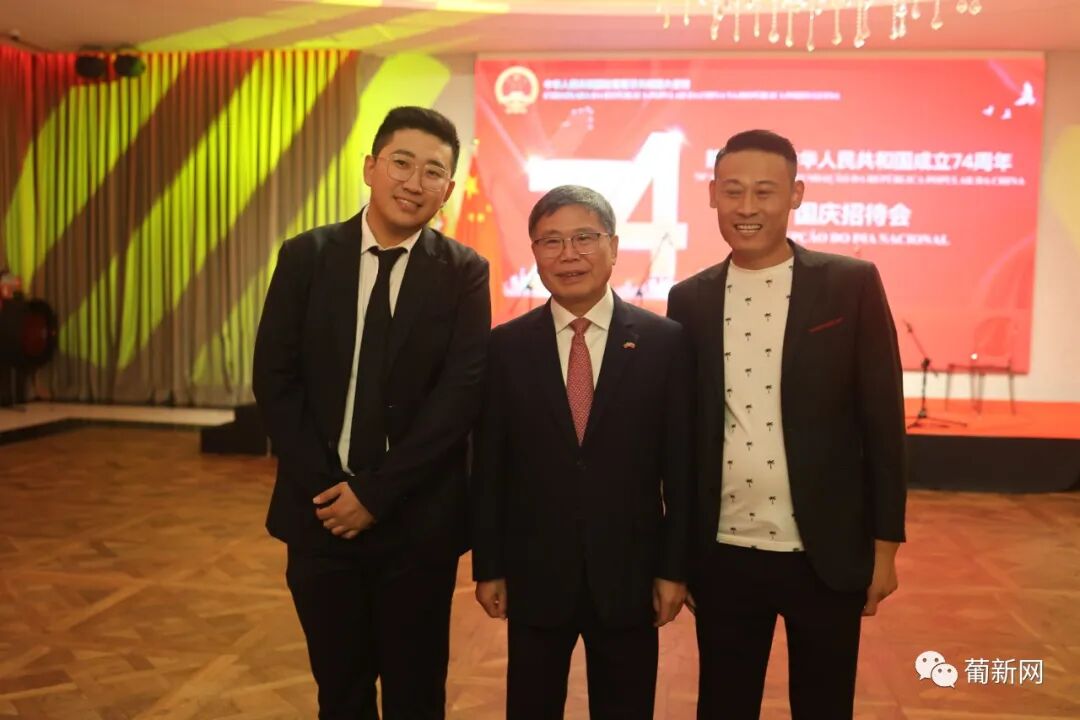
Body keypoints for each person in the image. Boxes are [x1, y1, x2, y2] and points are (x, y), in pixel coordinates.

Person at [252, 106, 491, 719]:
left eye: (433, 171)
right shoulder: (306, 256)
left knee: (416, 695)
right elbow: (276, 381)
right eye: (401, 163)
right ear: (370, 167)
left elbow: (459, 397)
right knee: (341, 692)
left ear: (447, 190)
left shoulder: (464, 272)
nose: (414, 182)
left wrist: (376, 495)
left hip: (417, 524)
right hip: (320, 518)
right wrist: (332, 493)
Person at [666, 129, 907, 720]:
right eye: (733, 191)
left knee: (824, 705)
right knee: (723, 704)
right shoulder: (689, 298)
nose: (747, 207)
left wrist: (885, 549)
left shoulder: (850, 283)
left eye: (765, 191)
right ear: (712, 195)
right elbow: (684, 439)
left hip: (824, 552)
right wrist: (679, 556)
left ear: (796, 195)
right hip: (724, 552)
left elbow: (883, 425)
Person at [471, 185, 693, 720]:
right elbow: (490, 467)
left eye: (584, 238)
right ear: (535, 254)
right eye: (550, 241)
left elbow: (682, 470)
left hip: (630, 576)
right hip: (534, 573)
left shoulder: (664, 343)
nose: (568, 254)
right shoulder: (505, 346)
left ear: (613, 247)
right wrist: (489, 566)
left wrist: (673, 570)